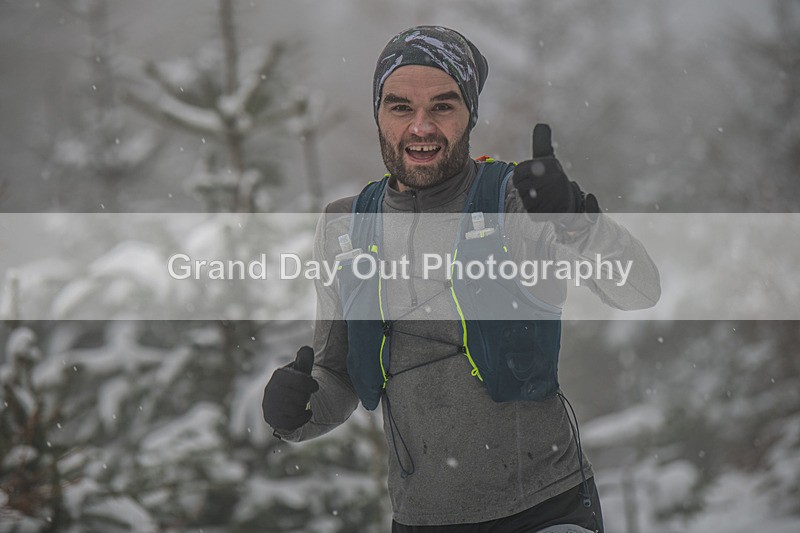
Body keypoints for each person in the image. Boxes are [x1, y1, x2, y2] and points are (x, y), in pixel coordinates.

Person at [262, 26, 660, 532]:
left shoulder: (517, 200)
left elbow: (639, 289)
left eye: (443, 106)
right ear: (378, 114)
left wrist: (578, 224)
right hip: (422, 519)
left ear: (470, 114)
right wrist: (298, 410)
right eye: (400, 107)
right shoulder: (346, 226)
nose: (421, 127)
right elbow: (337, 374)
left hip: (546, 508)